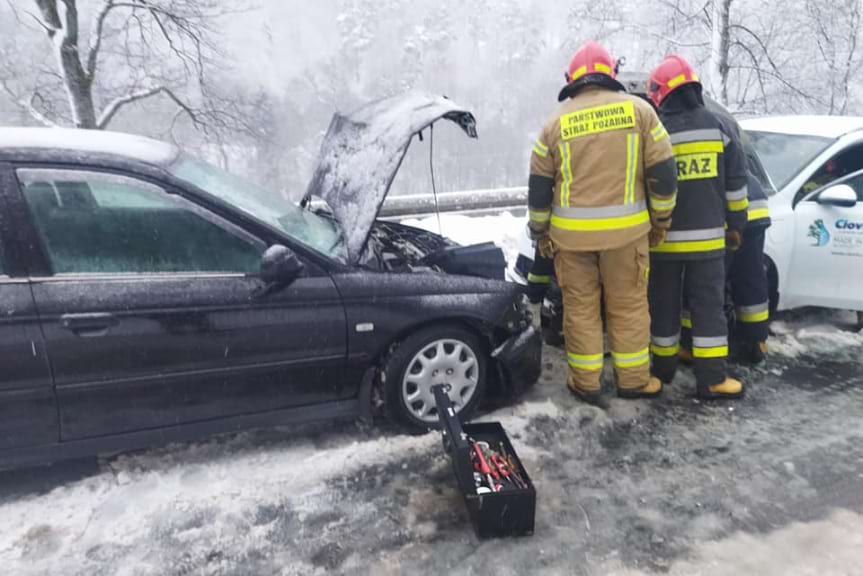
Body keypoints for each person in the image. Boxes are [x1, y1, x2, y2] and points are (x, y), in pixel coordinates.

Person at [527, 41, 678, 403]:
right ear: (611, 74)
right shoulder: (641, 112)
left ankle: (586, 383)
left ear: (572, 80)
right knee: (628, 307)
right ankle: (634, 381)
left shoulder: (554, 124)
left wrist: (540, 232)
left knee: (580, 310)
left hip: (571, 242)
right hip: (627, 238)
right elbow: (664, 174)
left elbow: (539, 189)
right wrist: (660, 220)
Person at [646, 54, 748, 400]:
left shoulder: (655, 131)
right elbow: (736, 184)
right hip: (708, 244)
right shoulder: (718, 126)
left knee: (663, 306)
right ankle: (712, 379)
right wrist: (736, 225)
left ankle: (662, 371)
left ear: (660, 93)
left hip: (663, 243)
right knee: (708, 308)